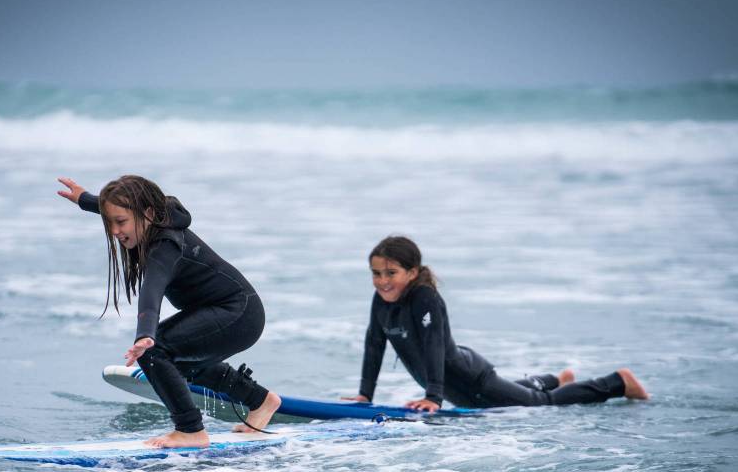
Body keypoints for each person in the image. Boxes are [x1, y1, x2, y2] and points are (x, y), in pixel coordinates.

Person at [57, 175, 281, 447]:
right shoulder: (155, 218)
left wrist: (145, 336)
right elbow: (117, 209)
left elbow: (151, 293)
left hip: (238, 314)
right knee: (178, 362)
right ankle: (260, 400)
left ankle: (190, 431)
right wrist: (84, 199)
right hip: (230, 311)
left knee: (156, 351)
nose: (114, 231)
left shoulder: (165, 245)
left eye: (121, 222)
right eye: (110, 222)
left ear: (148, 215)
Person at [345, 236, 649, 412]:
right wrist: (365, 395)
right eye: (376, 273)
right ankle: (554, 378)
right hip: (450, 383)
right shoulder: (381, 302)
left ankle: (617, 382)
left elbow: (433, 345)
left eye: (391, 273)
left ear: (412, 273)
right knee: (501, 402)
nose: (382, 281)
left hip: (470, 376)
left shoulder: (425, 297)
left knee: (538, 404)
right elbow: (375, 344)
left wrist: (432, 398)